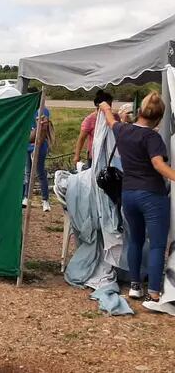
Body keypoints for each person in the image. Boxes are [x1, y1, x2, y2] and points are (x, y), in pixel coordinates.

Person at [100, 92, 175, 304]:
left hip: (128, 194)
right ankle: (153, 292)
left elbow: (110, 120)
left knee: (135, 240)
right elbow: (158, 164)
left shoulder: (123, 130)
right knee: (157, 244)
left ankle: (135, 286)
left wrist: (105, 106)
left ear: (139, 112)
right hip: (152, 195)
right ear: (159, 118)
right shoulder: (152, 137)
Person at [74, 90, 117, 168]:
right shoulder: (90, 120)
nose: (109, 108)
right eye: (107, 105)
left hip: (111, 154)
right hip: (94, 156)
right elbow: (81, 139)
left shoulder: (115, 117)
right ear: (99, 105)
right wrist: (77, 156)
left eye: (110, 105)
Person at [22, 103, 52, 212]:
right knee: (28, 172)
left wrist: (36, 148)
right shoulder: (26, 109)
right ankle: (26, 197)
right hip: (27, 146)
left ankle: (45, 200)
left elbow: (43, 132)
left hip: (40, 146)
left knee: (40, 172)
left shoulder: (42, 111)